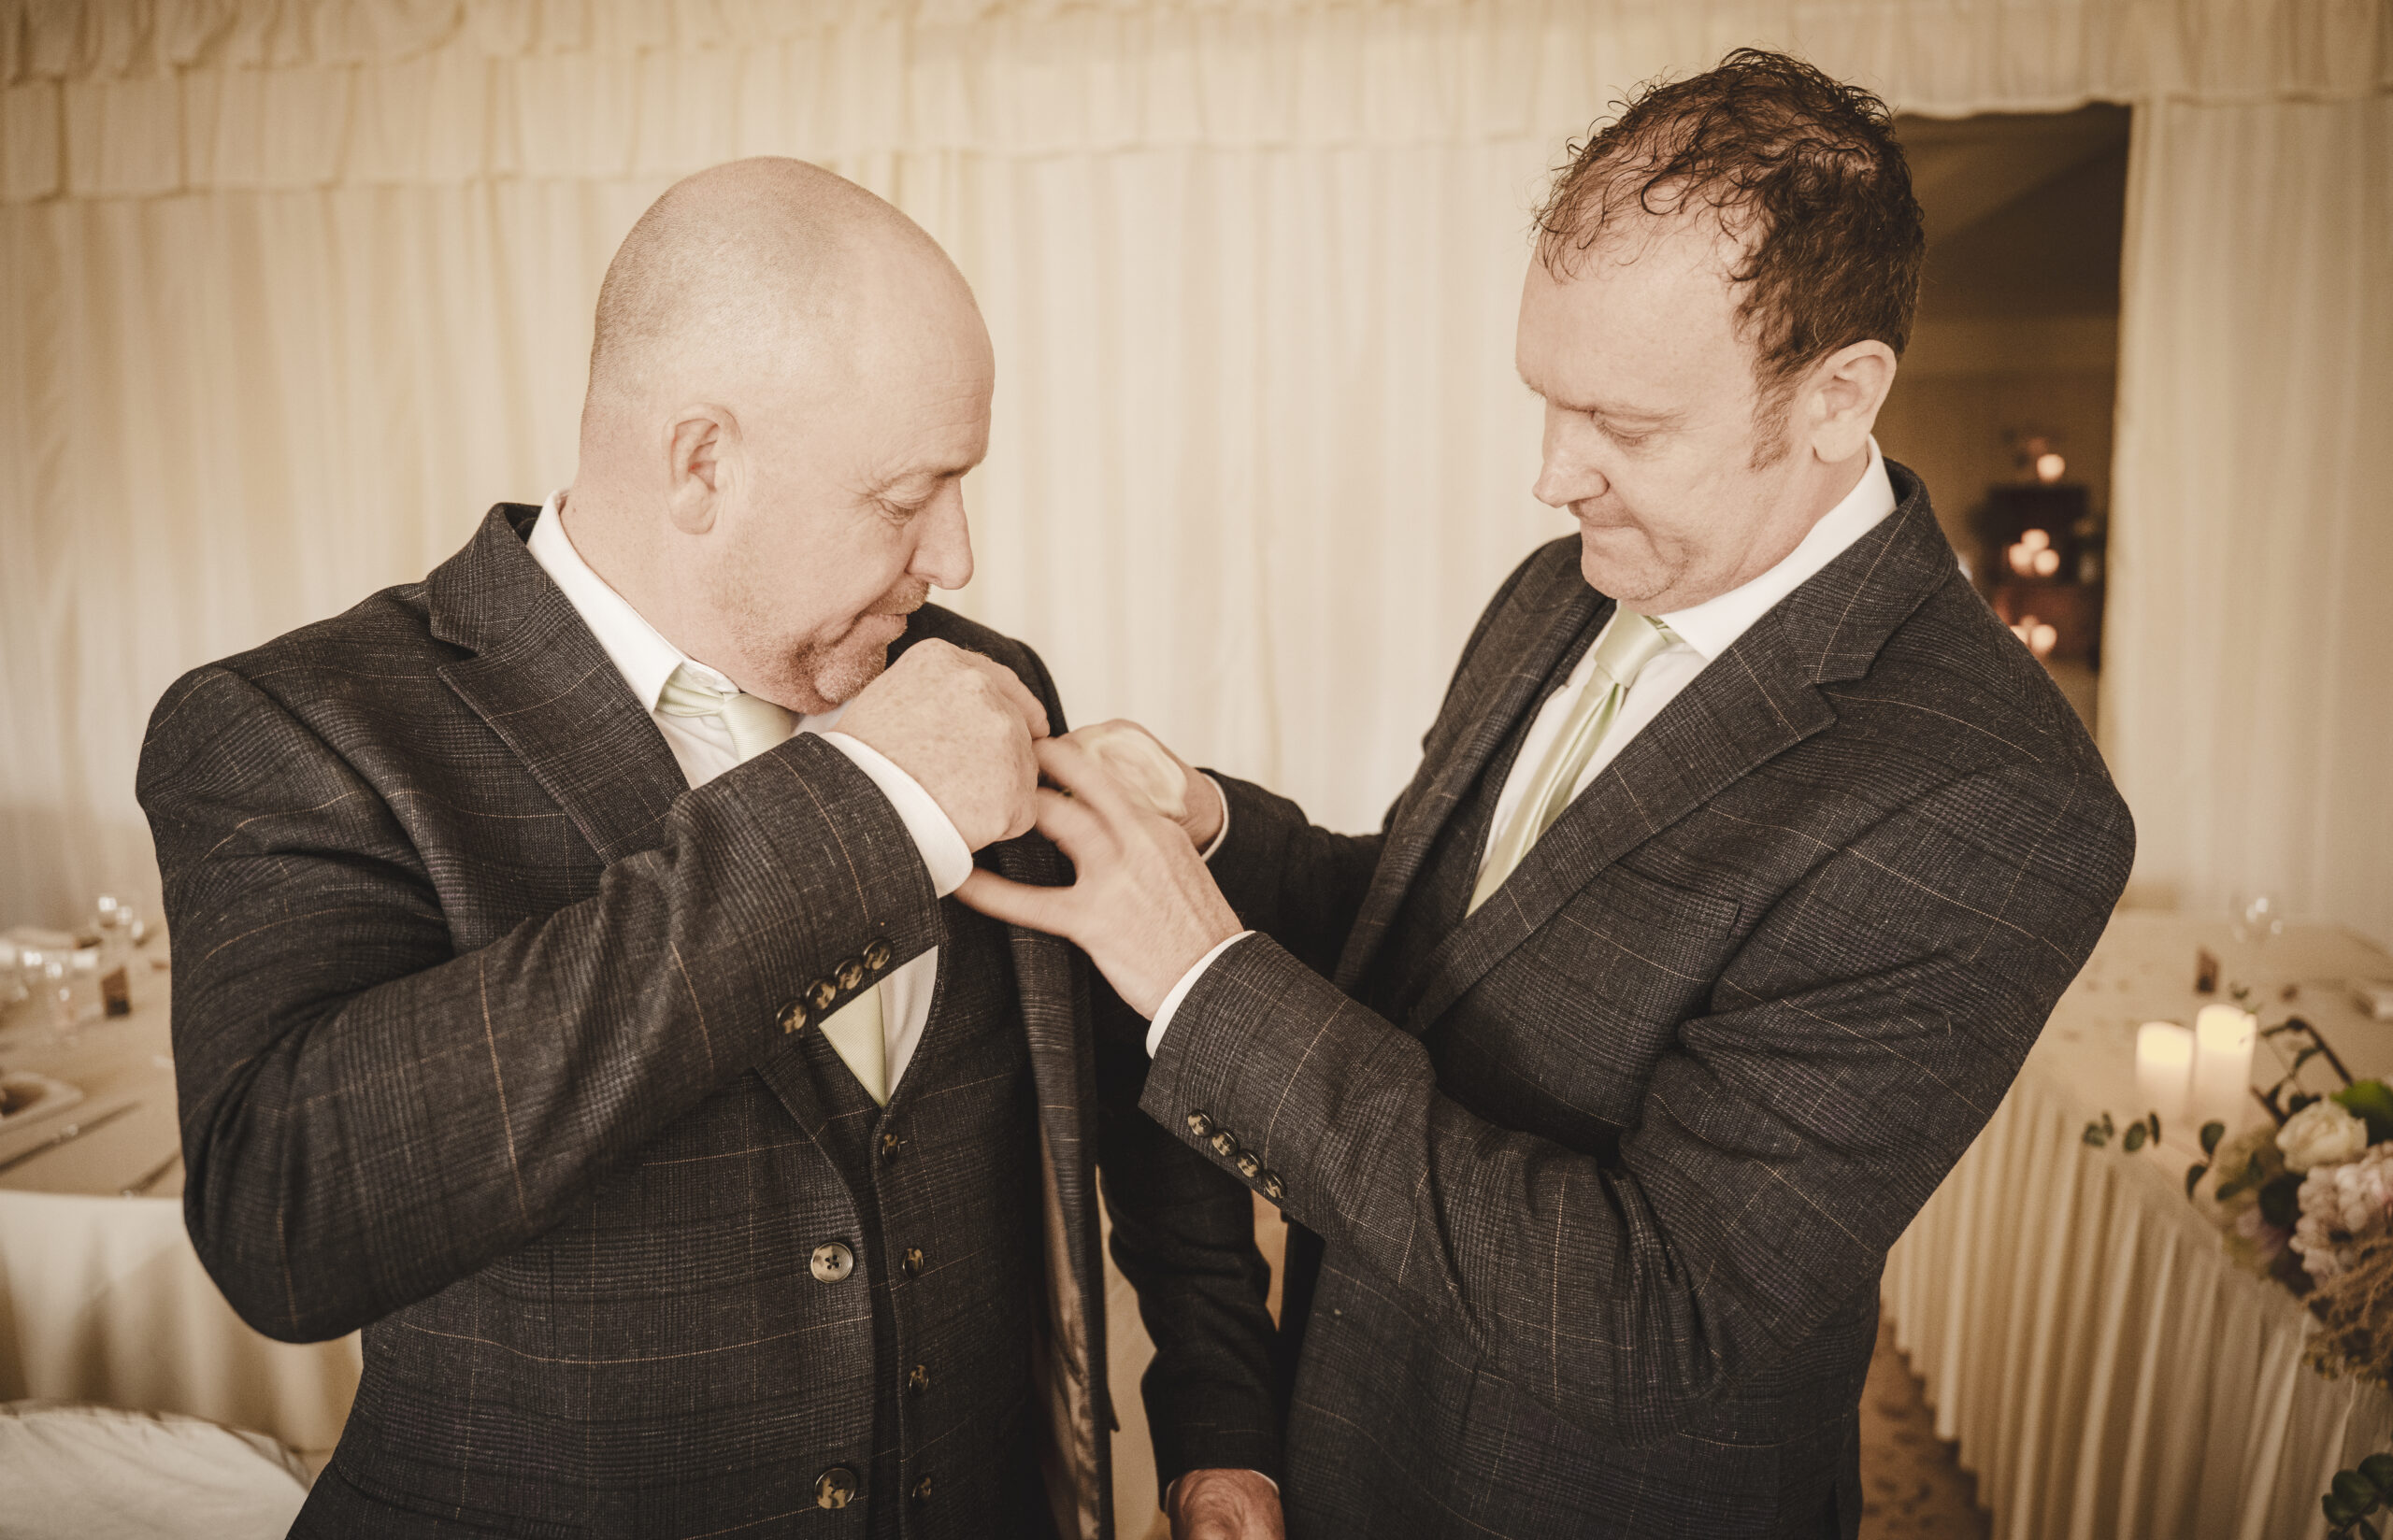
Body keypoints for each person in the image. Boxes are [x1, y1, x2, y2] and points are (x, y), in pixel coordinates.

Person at [962, 50, 2136, 1539]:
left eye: (1624, 428)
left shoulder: (1991, 796)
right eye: (1546, 402)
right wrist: (1211, 827)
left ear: (1839, 398)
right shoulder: (1562, 589)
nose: (1551, 475)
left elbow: (1661, 1314)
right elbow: (1439, 946)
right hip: (1348, 1437)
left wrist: (1203, 984)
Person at [138, 159, 1282, 1539]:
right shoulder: (304, 728)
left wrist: (1223, 1429)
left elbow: (1134, 1073)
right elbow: (288, 1211)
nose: (958, 556)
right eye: (906, 496)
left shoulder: (977, 680)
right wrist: (866, 806)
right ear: (702, 465)